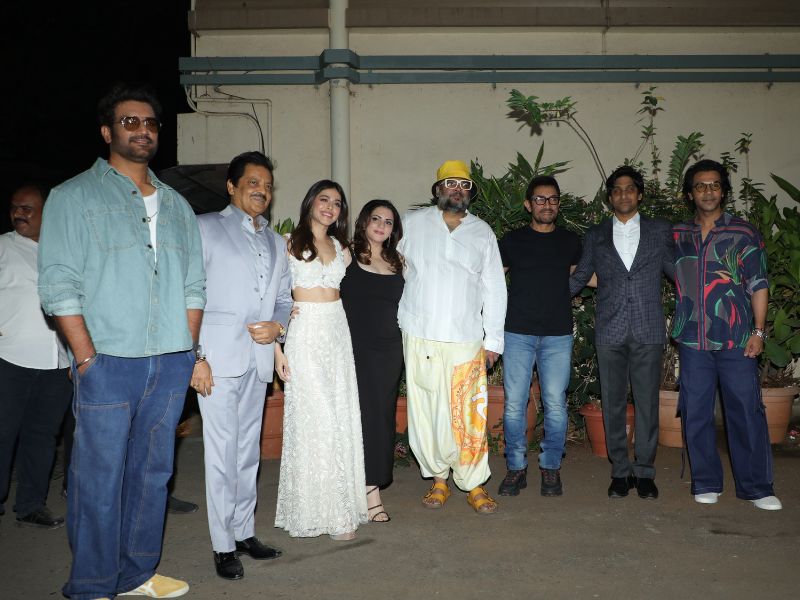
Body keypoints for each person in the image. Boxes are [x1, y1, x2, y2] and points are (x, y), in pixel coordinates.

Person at [38, 82, 206, 600]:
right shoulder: (73, 197)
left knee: (152, 476)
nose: (142, 130)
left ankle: (135, 575)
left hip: (170, 362)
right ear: (107, 131)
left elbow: (194, 285)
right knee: (98, 480)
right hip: (108, 362)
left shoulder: (178, 206)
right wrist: (86, 357)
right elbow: (59, 285)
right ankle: (91, 586)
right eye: (130, 121)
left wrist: (186, 352)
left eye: (150, 122)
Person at [193, 151, 292, 579]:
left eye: (267, 185)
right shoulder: (204, 228)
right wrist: (196, 357)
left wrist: (278, 327)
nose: (262, 191)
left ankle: (244, 531)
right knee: (221, 455)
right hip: (215, 360)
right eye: (253, 182)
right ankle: (222, 545)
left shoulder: (277, 242)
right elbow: (189, 294)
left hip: (257, 361)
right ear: (232, 186)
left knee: (248, 452)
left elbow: (284, 298)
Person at [397, 160, 507, 514]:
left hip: (465, 338)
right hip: (420, 333)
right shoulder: (411, 224)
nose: (457, 190)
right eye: (450, 183)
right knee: (426, 410)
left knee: (469, 413)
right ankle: (439, 479)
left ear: (470, 192)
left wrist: (493, 341)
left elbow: (495, 288)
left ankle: (474, 482)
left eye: (464, 185)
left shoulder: (482, 232)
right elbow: (390, 267)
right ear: (437, 189)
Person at [672, 159, 781, 510]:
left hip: (736, 339)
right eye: (700, 186)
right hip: (693, 340)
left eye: (715, 185)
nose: (708, 191)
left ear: (723, 191)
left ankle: (757, 487)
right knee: (696, 412)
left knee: (746, 411)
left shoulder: (743, 233)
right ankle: (706, 482)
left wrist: (758, 331)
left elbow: (759, 284)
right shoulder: (677, 235)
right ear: (690, 193)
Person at [570, 165, 673, 500]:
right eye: (617, 190)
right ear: (610, 197)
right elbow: (581, 274)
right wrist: (547, 297)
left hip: (648, 329)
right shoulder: (595, 234)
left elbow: (678, 271)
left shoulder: (659, 230)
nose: (623, 194)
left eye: (630, 189)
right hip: (610, 329)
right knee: (612, 404)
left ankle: (644, 472)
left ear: (639, 194)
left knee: (647, 405)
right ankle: (619, 472)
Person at [274, 180, 367, 540]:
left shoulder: (342, 248)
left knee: (340, 417)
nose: (330, 207)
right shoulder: (287, 243)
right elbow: (272, 297)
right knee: (319, 419)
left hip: (337, 332)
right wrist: (277, 349)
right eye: (324, 199)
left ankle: (339, 506)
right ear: (310, 202)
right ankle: (331, 514)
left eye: (337, 203)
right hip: (305, 334)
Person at [497, 175, 582, 497]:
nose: (547, 205)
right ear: (528, 204)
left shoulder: (570, 242)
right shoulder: (512, 241)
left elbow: (586, 278)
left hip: (557, 335)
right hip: (517, 332)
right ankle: (516, 468)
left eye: (553, 199)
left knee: (556, 404)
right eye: (540, 199)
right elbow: (491, 280)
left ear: (559, 204)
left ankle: (550, 467)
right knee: (514, 405)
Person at [0, 184, 71, 529]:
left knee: (42, 436)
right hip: (10, 360)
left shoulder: (63, 251)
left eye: (27, 208)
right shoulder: (3, 246)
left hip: (57, 363)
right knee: (3, 433)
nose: (19, 213)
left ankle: (30, 504)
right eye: (15, 207)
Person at [341, 199, 405, 523]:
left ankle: (372, 483)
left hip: (391, 351)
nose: (381, 225)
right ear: (364, 222)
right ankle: (368, 492)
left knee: (382, 419)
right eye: (376, 218)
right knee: (360, 418)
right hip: (356, 349)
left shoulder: (399, 261)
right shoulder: (345, 254)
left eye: (388, 222)